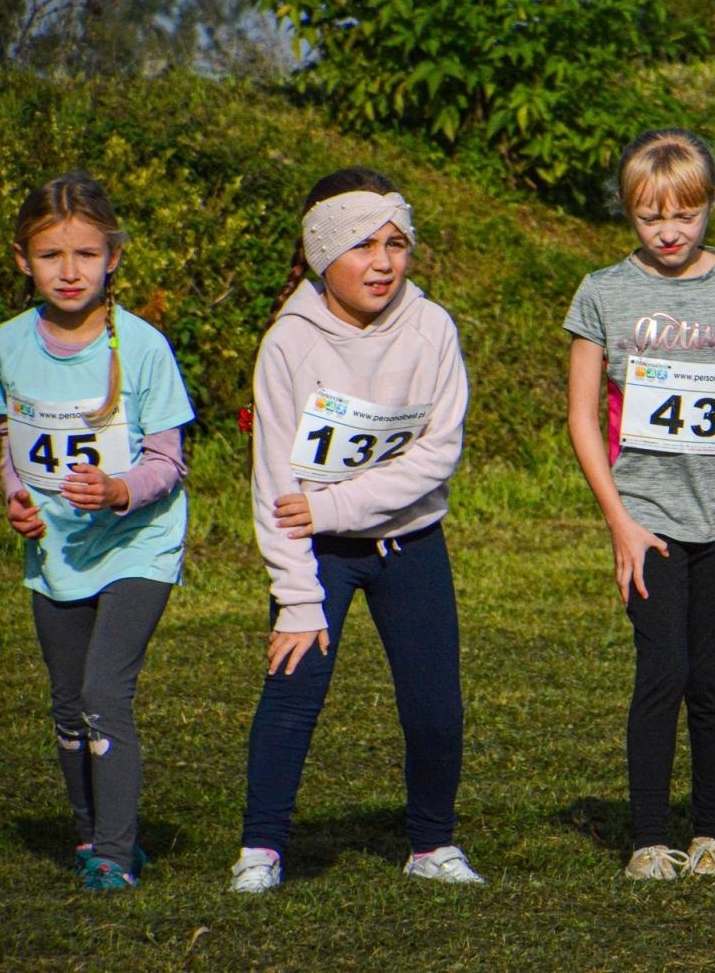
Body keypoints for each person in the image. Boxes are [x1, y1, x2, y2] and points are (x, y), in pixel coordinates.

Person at [229, 168, 481, 893]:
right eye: (363, 245)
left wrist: (337, 505)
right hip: (315, 557)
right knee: (292, 691)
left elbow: (438, 455)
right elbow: (277, 485)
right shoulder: (287, 343)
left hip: (412, 545)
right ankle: (262, 848)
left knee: (435, 708)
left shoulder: (433, 327)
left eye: (396, 243)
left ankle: (432, 844)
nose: (383, 262)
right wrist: (297, 595)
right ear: (320, 254)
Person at [566, 128, 715, 880]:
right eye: (650, 216)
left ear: (710, 204)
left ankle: (712, 834)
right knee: (663, 671)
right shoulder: (602, 292)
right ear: (629, 213)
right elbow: (582, 417)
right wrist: (619, 519)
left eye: (684, 215)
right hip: (647, 516)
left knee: (714, 681)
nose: (668, 232)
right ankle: (648, 839)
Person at [0, 174, 194, 890]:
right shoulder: (7, 346)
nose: (70, 271)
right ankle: (89, 839)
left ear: (113, 255)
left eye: (85, 253)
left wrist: (118, 489)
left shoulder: (142, 347)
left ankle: (114, 853)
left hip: (139, 542)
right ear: (23, 260)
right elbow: (9, 446)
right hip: (56, 549)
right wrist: (17, 500)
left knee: (105, 690)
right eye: (52, 255)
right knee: (65, 700)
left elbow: (169, 461)